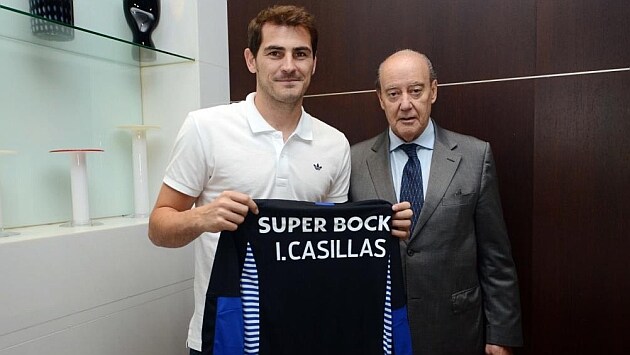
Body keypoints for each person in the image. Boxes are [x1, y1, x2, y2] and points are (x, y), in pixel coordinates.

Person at [148, 6, 411, 355]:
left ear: (314, 63)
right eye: (275, 53)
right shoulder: (204, 128)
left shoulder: (334, 144)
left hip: (308, 333)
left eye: (300, 54)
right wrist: (203, 217)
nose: (289, 65)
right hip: (228, 333)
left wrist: (380, 227)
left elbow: (332, 246)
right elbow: (158, 227)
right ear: (251, 60)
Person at [349, 49, 523, 355]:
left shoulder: (474, 156)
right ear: (380, 99)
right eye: (393, 93)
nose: (405, 104)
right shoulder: (353, 161)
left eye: (415, 91)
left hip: (456, 331)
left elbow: (495, 258)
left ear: (433, 91)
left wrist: (501, 336)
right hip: (380, 330)